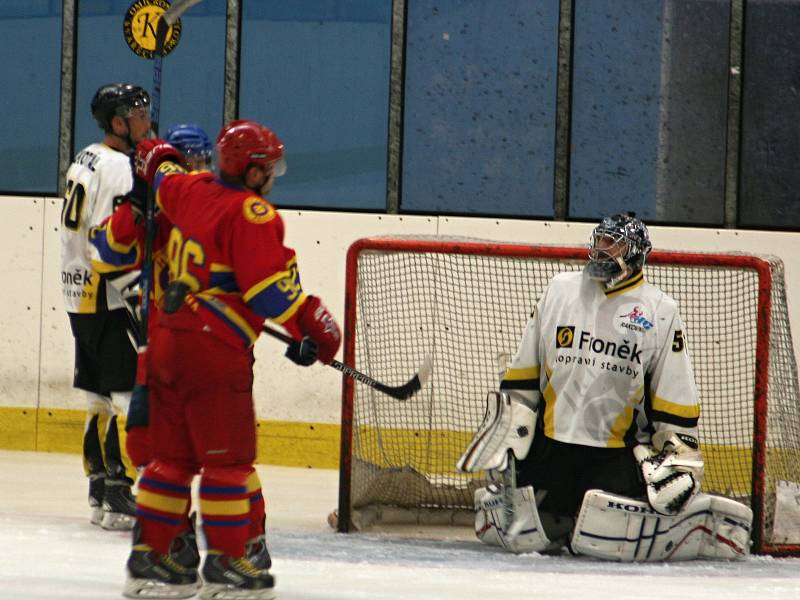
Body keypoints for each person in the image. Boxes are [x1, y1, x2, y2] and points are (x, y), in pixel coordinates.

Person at [121, 119, 341, 599]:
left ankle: (152, 560)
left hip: (165, 342)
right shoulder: (252, 213)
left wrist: (150, 145)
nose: (273, 176)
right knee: (229, 462)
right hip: (212, 350)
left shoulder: (190, 190)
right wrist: (315, 327)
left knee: (170, 461)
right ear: (253, 171)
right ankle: (227, 564)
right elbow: (269, 293)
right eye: (268, 168)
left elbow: (161, 171)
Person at [457, 212, 752, 561]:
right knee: (527, 529)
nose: (602, 250)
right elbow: (525, 370)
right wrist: (509, 427)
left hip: (615, 454)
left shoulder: (660, 310)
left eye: (614, 244)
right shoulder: (559, 290)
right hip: (553, 447)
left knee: (605, 534)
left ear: (636, 253)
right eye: (600, 241)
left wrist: (680, 456)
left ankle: (687, 519)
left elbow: (673, 393)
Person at [91, 122, 272, 576]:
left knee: (226, 456)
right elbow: (105, 254)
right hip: (164, 350)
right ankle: (175, 537)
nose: (197, 169)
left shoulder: (214, 204)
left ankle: (248, 540)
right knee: (151, 449)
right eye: (189, 162)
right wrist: (136, 207)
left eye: (202, 160)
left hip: (212, 349)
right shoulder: (164, 205)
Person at [60, 83, 150, 531]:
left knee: (97, 395)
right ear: (117, 123)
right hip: (106, 292)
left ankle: (98, 485)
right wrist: (135, 293)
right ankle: (119, 487)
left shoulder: (87, 155)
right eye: (137, 113)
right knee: (125, 395)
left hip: (77, 291)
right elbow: (107, 240)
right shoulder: (119, 167)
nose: (146, 120)